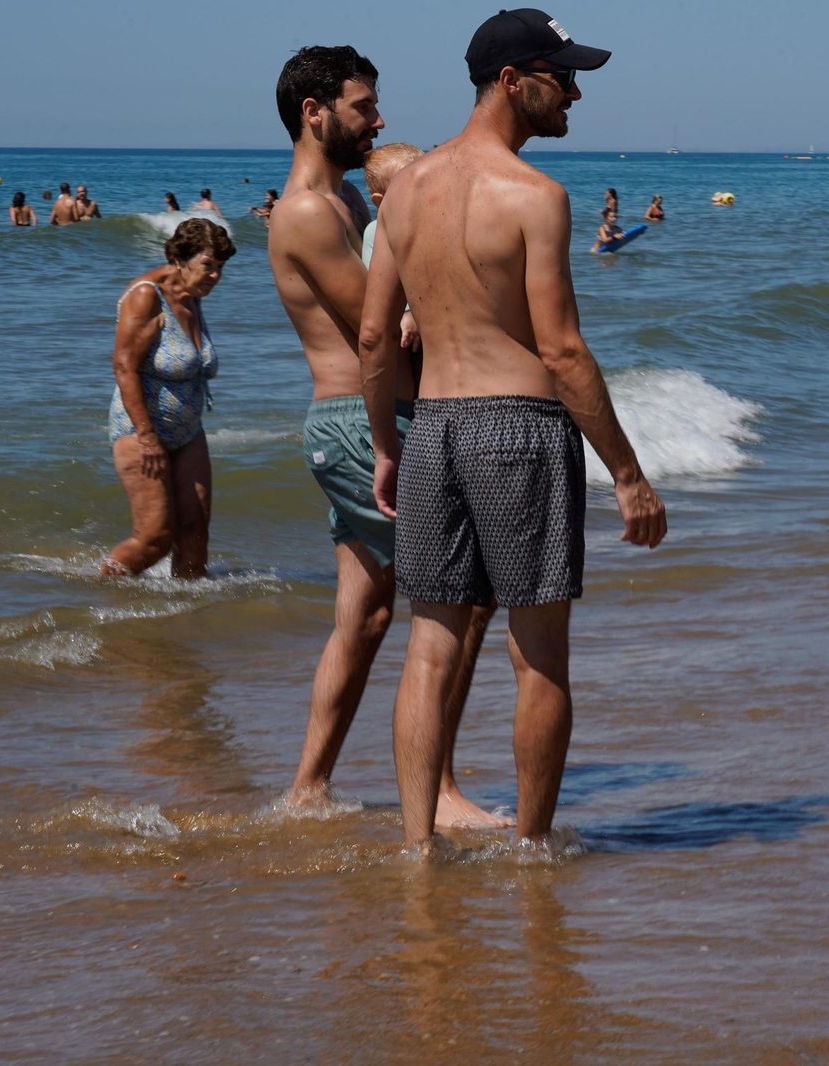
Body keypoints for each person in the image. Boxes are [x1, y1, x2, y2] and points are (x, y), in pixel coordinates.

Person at [362, 9, 666, 847]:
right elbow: (563, 351)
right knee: (539, 657)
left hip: (433, 428)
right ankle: (532, 852)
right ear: (510, 81)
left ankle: (418, 850)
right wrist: (629, 476)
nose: (574, 92)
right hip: (519, 429)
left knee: (429, 648)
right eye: (561, 76)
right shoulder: (536, 197)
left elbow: (373, 335)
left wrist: (388, 444)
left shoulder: (406, 190)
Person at [266, 46, 503, 827]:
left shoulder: (347, 204)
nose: (379, 119)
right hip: (364, 424)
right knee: (458, 602)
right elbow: (379, 330)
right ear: (315, 113)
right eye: (364, 106)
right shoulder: (308, 211)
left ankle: (309, 787)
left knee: (366, 614)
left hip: (356, 425)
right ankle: (437, 792)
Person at [103, 218, 233, 578]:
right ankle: (96, 593)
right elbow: (123, 366)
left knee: (195, 533)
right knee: (155, 539)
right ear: (179, 258)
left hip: (189, 431)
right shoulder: (147, 295)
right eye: (208, 266)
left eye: (221, 268)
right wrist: (147, 438)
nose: (215, 276)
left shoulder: (192, 296)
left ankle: (186, 623)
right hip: (140, 429)